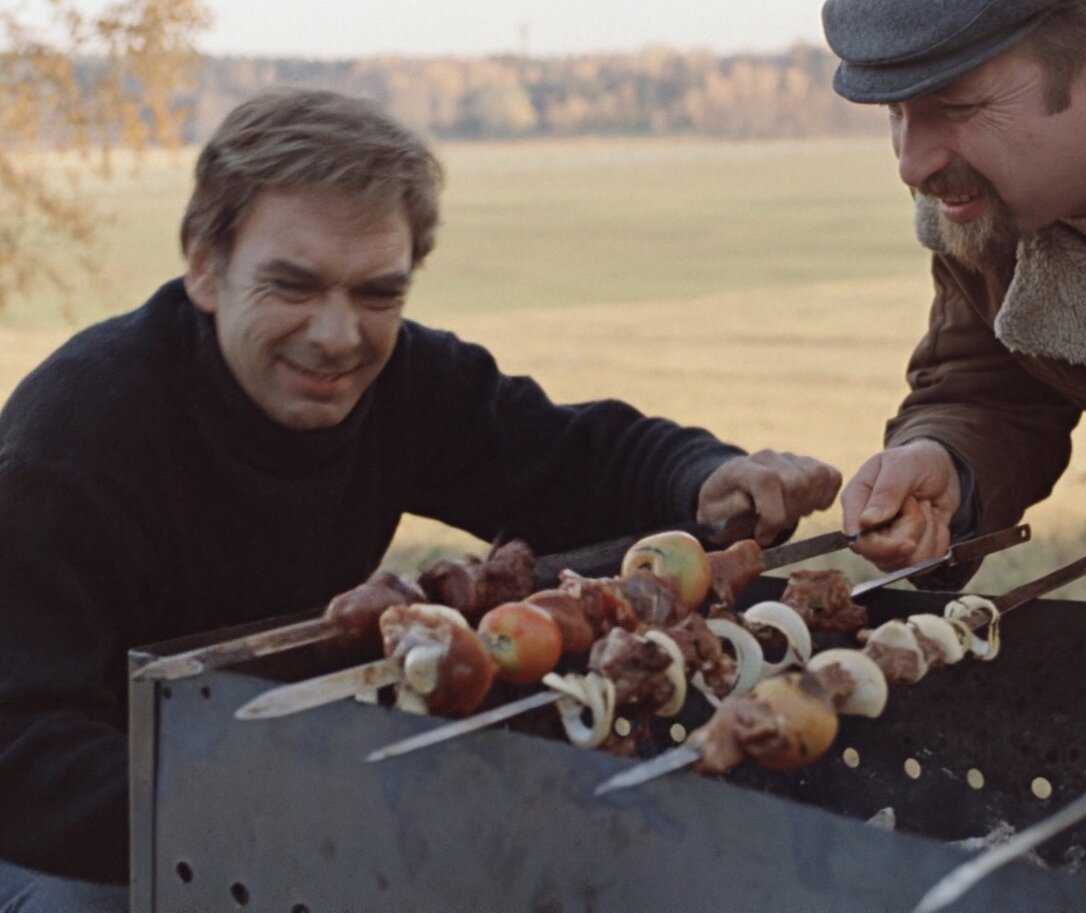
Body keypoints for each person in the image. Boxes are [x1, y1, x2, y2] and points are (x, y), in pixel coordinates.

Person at [0, 89, 842, 911]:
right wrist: (295, 811)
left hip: (273, 771)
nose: (337, 336)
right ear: (204, 266)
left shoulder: (400, 380)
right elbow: (23, 753)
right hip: (70, 839)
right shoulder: (76, 438)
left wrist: (699, 476)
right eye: (293, 286)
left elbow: (566, 459)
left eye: (378, 294)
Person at [821, 0, 1086, 607]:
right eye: (897, 111)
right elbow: (992, 384)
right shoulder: (986, 213)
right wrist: (948, 463)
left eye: (958, 107)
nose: (913, 165)